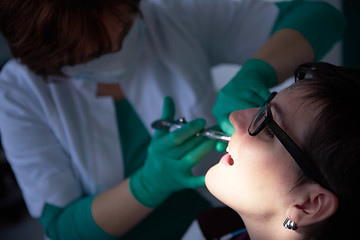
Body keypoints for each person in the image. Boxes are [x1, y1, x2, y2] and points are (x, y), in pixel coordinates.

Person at [0, 0, 345, 239]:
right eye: (94, 53)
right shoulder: (19, 92)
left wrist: (256, 72)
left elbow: (321, 15)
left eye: (269, 125)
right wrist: (147, 185)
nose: (239, 117)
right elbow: (61, 227)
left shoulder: (167, 14)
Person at [201, 62, 360, 240]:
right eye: (265, 107)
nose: (235, 116)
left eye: (269, 129)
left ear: (309, 204)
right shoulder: (213, 226)